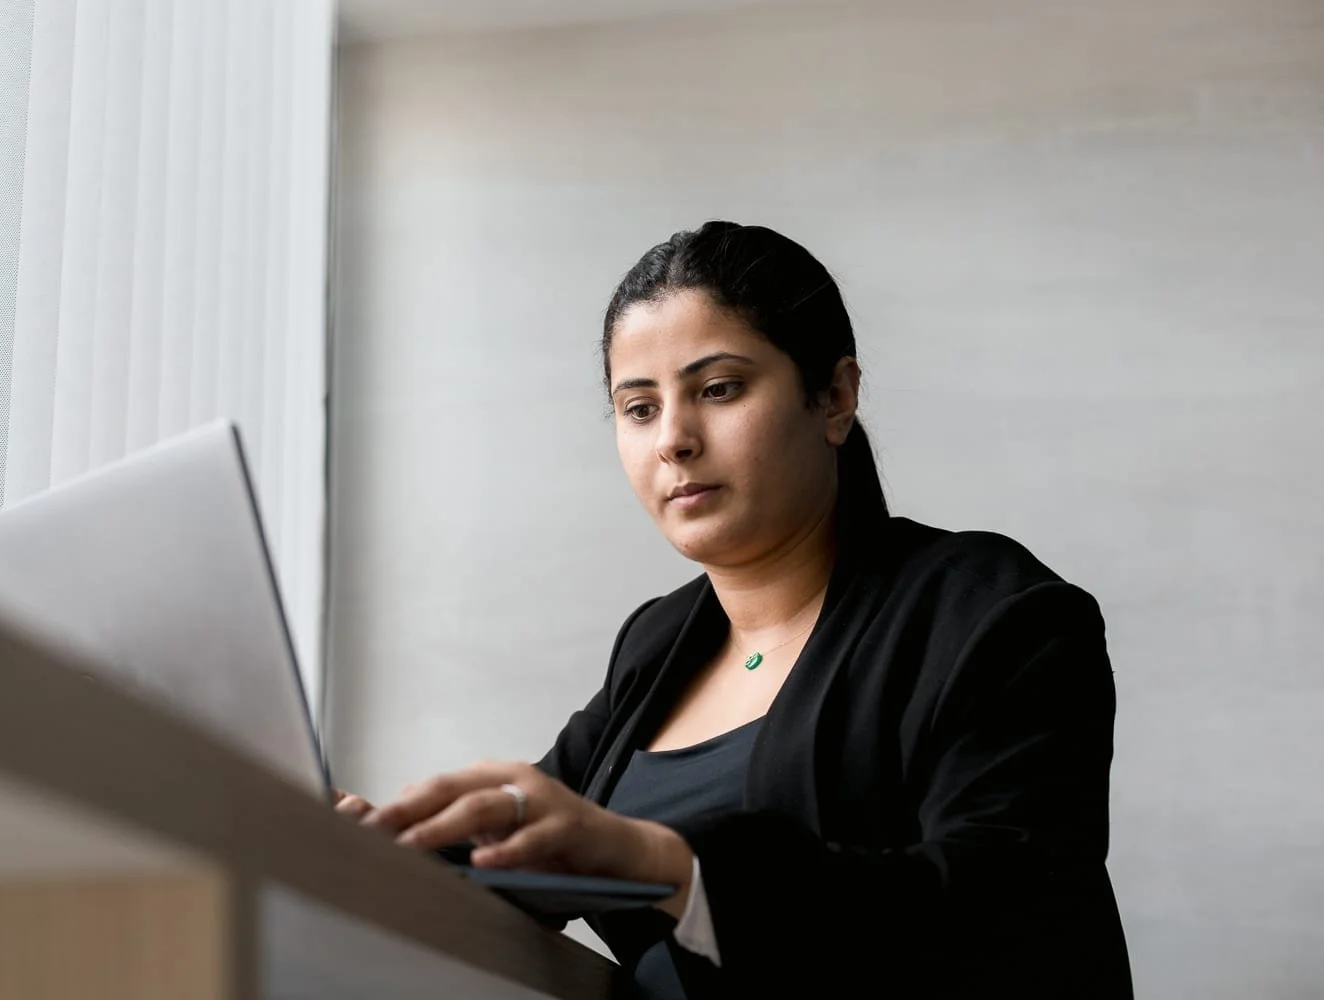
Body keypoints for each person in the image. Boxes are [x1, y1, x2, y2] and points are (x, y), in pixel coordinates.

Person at [335, 221, 1133, 998]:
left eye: (718, 390)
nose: (673, 440)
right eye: (639, 407)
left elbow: (1005, 914)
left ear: (835, 397)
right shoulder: (656, 643)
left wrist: (668, 867)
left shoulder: (993, 611)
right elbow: (540, 847)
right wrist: (388, 855)